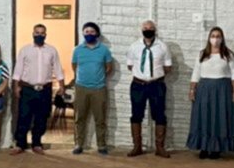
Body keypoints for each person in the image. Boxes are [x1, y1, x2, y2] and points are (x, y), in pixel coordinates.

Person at [187, 26, 234, 159]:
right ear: (209, 38)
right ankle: (204, 147)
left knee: (220, 117)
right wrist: (192, 89)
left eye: (218, 36)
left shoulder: (228, 54)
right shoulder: (202, 54)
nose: (215, 39)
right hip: (204, 89)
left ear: (222, 38)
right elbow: (196, 73)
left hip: (223, 89)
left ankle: (217, 148)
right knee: (204, 117)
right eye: (213, 36)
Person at [11, 24, 64, 156]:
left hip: (45, 89)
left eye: (42, 33)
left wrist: (62, 86)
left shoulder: (52, 50)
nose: (39, 35)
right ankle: (20, 144)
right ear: (32, 34)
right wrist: (16, 86)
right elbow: (18, 70)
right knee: (24, 116)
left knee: (42, 117)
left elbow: (58, 69)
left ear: (46, 34)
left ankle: (37, 143)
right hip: (28, 89)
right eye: (37, 32)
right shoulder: (25, 50)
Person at [125, 20, 172, 158]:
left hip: (157, 85)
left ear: (155, 30)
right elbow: (130, 65)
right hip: (138, 85)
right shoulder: (134, 46)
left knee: (160, 115)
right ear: (141, 30)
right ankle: (137, 146)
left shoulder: (163, 47)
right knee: (136, 115)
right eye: (145, 28)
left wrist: (155, 75)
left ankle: (160, 147)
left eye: (151, 28)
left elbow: (168, 67)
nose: (148, 30)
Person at [71, 22, 114, 156]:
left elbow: (109, 67)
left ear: (97, 34)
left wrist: (98, 77)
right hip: (81, 88)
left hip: (99, 88)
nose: (89, 34)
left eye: (92, 32)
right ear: (83, 33)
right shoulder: (77, 50)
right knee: (80, 118)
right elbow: (74, 66)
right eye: (86, 32)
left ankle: (101, 145)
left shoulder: (104, 50)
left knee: (100, 119)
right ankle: (79, 144)